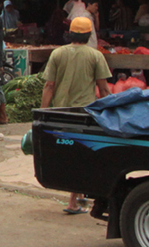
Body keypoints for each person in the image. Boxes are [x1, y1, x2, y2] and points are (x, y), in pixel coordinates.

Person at [40, 16, 111, 214]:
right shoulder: (95, 56)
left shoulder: (57, 54)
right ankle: (74, 201)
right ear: (89, 35)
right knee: (83, 155)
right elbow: (103, 89)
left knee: (69, 154)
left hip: (61, 112)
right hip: (84, 114)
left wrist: (42, 113)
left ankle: (78, 197)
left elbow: (49, 86)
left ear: (69, 33)